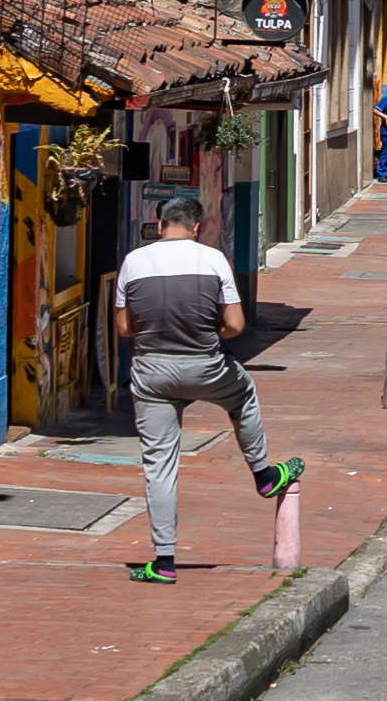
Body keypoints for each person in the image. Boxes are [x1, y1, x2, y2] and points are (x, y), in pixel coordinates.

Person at [109, 188, 306, 584]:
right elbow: (235, 325)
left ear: (160, 224)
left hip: (152, 372)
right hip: (205, 366)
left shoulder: (133, 261)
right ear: (197, 227)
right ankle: (264, 474)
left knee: (159, 465)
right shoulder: (213, 259)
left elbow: (124, 327)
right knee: (244, 394)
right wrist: (205, 333)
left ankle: (164, 562)